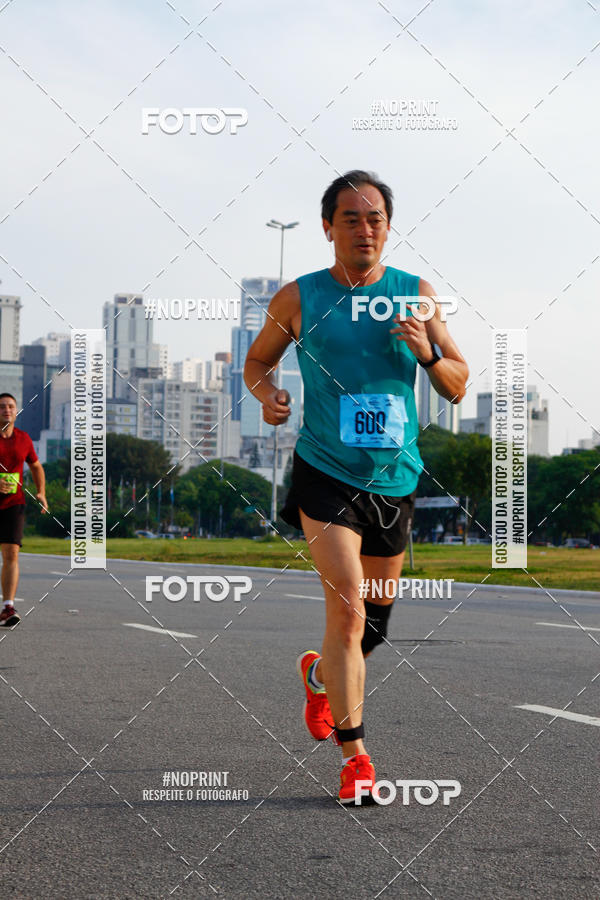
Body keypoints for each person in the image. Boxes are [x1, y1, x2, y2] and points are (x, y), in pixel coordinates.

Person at [244, 170, 468, 805]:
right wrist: (268, 396)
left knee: (371, 629)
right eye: (350, 218)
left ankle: (318, 676)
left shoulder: (415, 294)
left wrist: (428, 353)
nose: (364, 228)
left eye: (375, 218)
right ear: (327, 228)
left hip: (394, 477)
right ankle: (357, 761)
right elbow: (257, 360)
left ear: (388, 228)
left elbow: (457, 382)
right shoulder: (301, 296)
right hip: (325, 470)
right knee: (346, 613)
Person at [0, 393, 48, 627]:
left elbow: (36, 466)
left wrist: (41, 492)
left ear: (16, 411)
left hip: (14, 503)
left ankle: (8, 607)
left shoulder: (23, 439)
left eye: (10, 406)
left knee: (11, 553)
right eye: (2, 407)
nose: (6, 410)